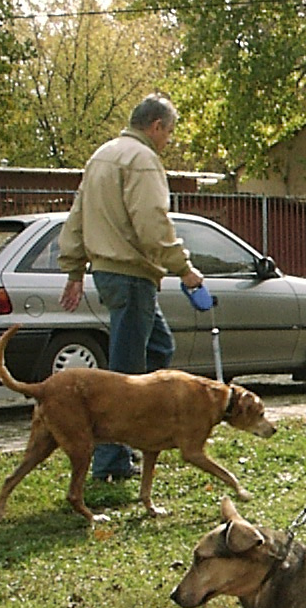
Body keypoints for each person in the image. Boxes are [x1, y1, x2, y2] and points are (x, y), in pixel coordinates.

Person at [57, 92, 203, 482]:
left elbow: (76, 217)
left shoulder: (101, 155)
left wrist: (74, 269)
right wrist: (184, 269)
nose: (168, 141)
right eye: (169, 133)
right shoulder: (142, 161)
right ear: (155, 127)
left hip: (111, 273)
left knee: (159, 349)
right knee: (125, 375)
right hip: (131, 274)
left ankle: (140, 433)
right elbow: (153, 224)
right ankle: (110, 462)